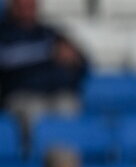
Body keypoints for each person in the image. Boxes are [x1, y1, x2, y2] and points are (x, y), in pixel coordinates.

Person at [0, 0, 87, 130]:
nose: (27, 10)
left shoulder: (49, 33)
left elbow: (82, 63)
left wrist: (73, 58)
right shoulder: (5, 33)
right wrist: (48, 52)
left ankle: (62, 149)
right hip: (21, 95)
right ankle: (36, 149)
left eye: (31, 6)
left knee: (67, 105)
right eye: (22, 6)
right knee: (34, 110)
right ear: (13, 7)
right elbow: (7, 59)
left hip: (55, 94)